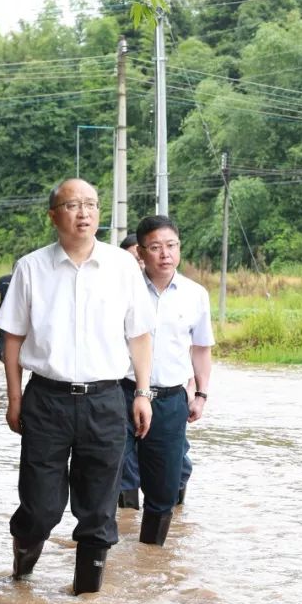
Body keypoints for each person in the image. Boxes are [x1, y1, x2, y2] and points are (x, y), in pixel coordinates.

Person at [0, 178, 154, 595]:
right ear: (53, 215)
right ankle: (22, 572)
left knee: (100, 510)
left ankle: (86, 601)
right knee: (42, 507)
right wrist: (14, 399)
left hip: (105, 400)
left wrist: (142, 392)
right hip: (46, 400)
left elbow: (139, 335)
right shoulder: (31, 267)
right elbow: (11, 339)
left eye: (91, 204)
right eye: (72, 205)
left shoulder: (123, 267)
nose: (83, 213)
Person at [120, 215, 213, 546]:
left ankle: (151, 560)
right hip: (122, 393)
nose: (165, 254)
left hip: (171, 400)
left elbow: (201, 349)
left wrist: (200, 394)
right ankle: (105, 554)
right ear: (140, 252)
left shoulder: (195, 294)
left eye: (171, 246)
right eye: (155, 247)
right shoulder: (123, 291)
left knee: (164, 487)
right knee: (110, 473)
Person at [0, 267, 14, 363]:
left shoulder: (2, 279)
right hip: (17, 315)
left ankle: (2, 357)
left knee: (2, 338)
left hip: (3, 314)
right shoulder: (24, 279)